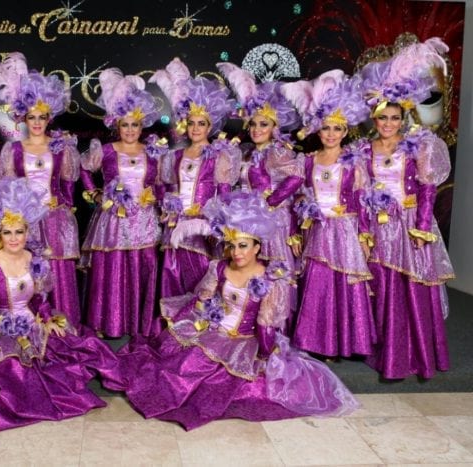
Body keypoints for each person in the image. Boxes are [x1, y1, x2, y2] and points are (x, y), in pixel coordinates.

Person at [102, 191, 359, 430]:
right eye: (232, 246)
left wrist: (267, 354)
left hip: (244, 342)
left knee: (224, 381)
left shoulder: (270, 278)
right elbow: (203, 298)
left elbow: (265, 325)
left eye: (243, 246)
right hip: (214, 331)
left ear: (257, 247)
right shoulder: (219, 267)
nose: (236, 253)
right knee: (183, 364)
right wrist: (197, 319)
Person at [0, 177, 120, 437]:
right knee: (11, 368)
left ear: (27, 233)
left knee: (77, 347)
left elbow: (38, 298)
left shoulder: (33, 258)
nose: (14, 238)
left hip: (32, 322)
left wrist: (48, 319)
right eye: (7, 232)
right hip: (2, 327)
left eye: (19, 232)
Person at [357, 37, 455, 379]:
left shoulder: (418, 146)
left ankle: (416, 354)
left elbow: (428, 188)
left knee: (411, 287)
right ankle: (385, 351)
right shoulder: (364, 150)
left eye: (394, 118)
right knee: (383, 286)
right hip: (378, 224)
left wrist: (423, 226)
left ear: (403, 118)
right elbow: (360, 191)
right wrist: (364, 230)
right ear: (374, 119)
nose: (388, 123)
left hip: (410, 222)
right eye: (382, 118)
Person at [0, 53, 82, 326]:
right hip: (27, 223)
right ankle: (30, 324)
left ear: (49, 118)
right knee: (29, 270)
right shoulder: (12, 149)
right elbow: (7, 186)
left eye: (42, 117)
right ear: (24, 118)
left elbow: (68, 182)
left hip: (56, 218)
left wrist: (63, 205)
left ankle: (63, 325)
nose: (37, 122)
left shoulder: (62, 148)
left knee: (57, 268)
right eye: (32, 117)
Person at [282, 70, 376, 359]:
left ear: (345, 132)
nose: (331, 134)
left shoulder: (352, 161)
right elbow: (298, 197)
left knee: (344, 284)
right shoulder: (307, 161)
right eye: (326, 129)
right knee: (319, 283)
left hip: (344, 229)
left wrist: (364, 235)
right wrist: (295, 231)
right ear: (318, 131)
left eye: (337, 129)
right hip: (318, 230)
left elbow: (361, 200)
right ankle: (317, 342)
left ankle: (347, 343)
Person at [80, 68, 166, 337]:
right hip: (114, 218)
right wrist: (95, 194)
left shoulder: (152, 152)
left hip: (145, 219)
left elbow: (160, 182)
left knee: (143, 266)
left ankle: (139, 324)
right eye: (125, 125)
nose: (130, 130)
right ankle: (109, 324)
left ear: (142, 126)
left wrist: (159, 200)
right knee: (113, 268)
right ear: (117, 125)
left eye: (135, 125)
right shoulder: (106, 151)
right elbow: (84, 169)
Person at [217, 61, 304, 319]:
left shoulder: (278, 151)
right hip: (247, 221)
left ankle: (275, 324)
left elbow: (296, 177)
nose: (257, 130)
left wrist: (269, 202)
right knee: (249, 270)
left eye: (263, 125)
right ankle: (248, 322)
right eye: (253, 124)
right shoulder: (244, 152)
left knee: (273, 270)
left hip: (271, 220)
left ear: (274, 128)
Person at [150, 57, 240, 298]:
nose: (196, 128)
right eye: (191, 123)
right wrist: (167, 205)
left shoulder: (219, 155)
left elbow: (224, 195)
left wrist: (219, 225)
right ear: (186, 125)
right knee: (172, 272)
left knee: (200, 277)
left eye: (201, 123)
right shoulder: (175, 156)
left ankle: (197, 317)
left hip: (202, 226)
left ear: (210, 127)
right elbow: (167, 187)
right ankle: (172, 317)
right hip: (176, 223)